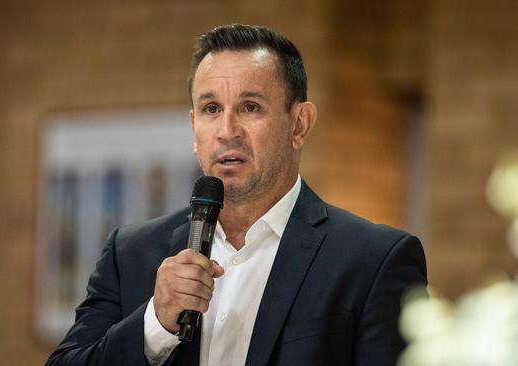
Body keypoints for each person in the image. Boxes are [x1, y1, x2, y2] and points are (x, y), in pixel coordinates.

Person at [46, 24, 427, 366]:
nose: (227, 130)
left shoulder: (374, 260)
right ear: (195, 127)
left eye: (250, 107)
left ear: (299, 124)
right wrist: (155, 325)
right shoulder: (130, 252)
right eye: (211, 108)